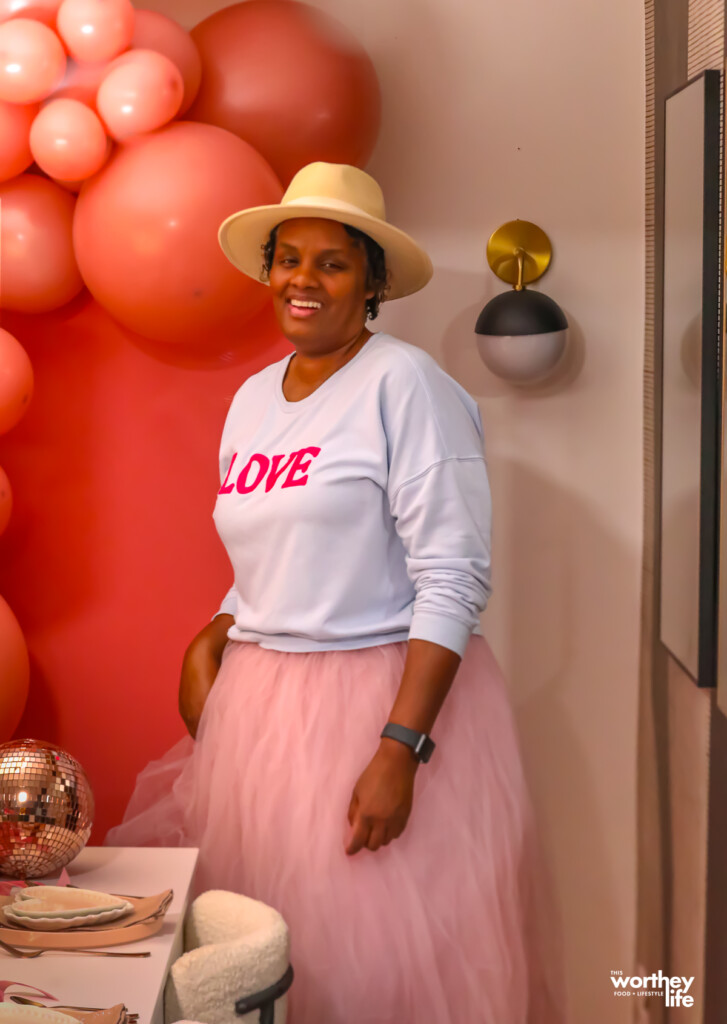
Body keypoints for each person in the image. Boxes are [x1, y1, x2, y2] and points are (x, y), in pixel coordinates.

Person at [107, 162, 566, 1024]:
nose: (302, 281)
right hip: (263, 714)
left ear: (373, 281)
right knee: (271, 958)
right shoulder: (250, 400)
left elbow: (453, 575)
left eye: (331, 262)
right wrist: (214, 631)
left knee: (372, 974)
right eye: (288, 259)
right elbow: (268, 556)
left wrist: (401, 748)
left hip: (376, 705)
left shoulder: (408, 386)